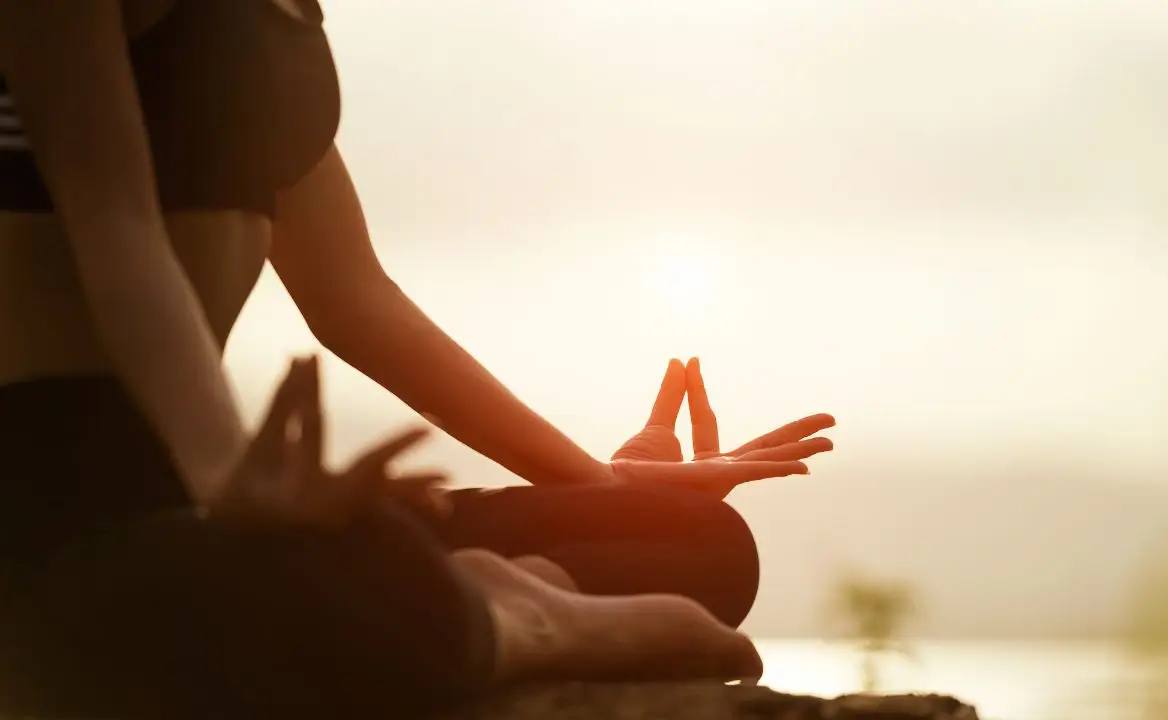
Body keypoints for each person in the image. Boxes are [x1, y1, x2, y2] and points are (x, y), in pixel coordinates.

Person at [0, 0, 834, 716]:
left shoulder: (276, 19)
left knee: (697, 540)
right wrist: (223, 476)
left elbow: (356, 300)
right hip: (51, 516)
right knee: (343, 586)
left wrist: (599, 484)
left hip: (219, 510)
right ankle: (512, 621)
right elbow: (116, 229)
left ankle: (480, 606)